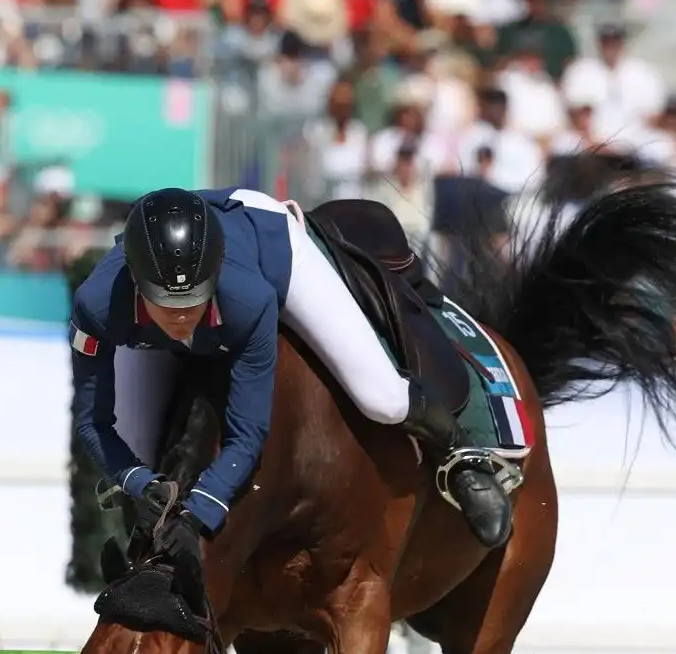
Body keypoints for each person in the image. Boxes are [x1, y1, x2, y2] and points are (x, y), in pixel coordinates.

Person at [68, 187, 515, 576]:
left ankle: (462, 454)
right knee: (135, 446)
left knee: (383, 399)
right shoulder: (97, 306)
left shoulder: (246, 297)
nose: (184, 320)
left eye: (195, 302)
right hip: (182, 257)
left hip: (269, 239)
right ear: (137, 285)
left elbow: (248, 434)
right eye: (169, 305)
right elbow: (94, 423)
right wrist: (139, 484)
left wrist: (197, 514)